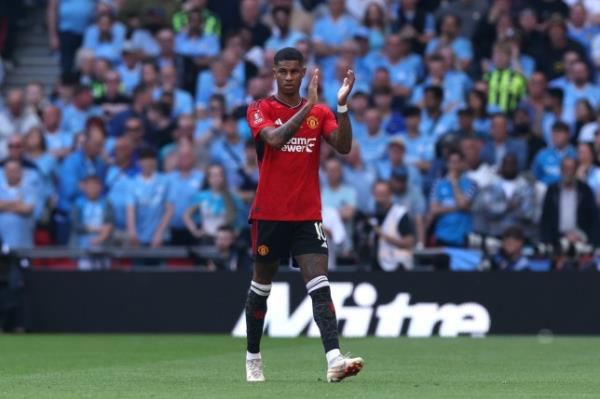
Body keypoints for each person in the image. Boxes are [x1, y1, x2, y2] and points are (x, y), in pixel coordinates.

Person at [243, 47, 363, 382]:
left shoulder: (320, 111)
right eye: (283, 71)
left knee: (319, 282)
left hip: (306, 214)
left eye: (295, 72)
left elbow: (342, 146)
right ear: (274, 72)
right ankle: (253, 355)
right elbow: (276, 139)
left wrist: (341, 106)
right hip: (269, 213)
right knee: (261, 287)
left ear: (303, 72)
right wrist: (308, 106)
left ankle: (334, 358)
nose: (289, 78)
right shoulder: (259, 108)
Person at [540, 157, 600, 246]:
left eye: (571, 169)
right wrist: (547, 241)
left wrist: (591, 242)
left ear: (576, 171)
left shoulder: (585, 190)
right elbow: (546, 218)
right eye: (565, 169)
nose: (568, 172)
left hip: (581, 239)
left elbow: (593, 218)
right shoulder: (552, 191)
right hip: (556, 240)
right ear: (561, 170)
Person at [126, 147, 174, 248]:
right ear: (139, 163)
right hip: (139, 239)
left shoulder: (165, 181)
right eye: (144, 160)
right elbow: (130, 209)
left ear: (155, 162)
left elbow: (169, 210)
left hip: (161, 239)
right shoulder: (132, 183)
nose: (147, 163)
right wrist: (132, 232)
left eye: (151, 159)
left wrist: (160, 233)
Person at [429, 150, 477, 247]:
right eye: (452, 162)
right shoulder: (438, 184)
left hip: (463, 238)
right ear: (447, 164)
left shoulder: (471, 184)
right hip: (442, 237)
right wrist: (457, 207)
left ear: (463, 164)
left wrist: (454, 183)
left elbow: (463, 204)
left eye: (457, 162)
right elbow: (433, 210)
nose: (454, 165)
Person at [371, 180, 415, 271]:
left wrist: (384, 235)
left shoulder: (399, 213)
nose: (380, 197)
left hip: (399, 267)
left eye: (383, 193)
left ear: (390, 194)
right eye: (377, 193)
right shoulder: (372, 215)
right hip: (379, 267)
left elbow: (409, 242)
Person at [0, 160, 36, 248]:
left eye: (14, 170)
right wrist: (16, 203)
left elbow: (27, 209)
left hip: (23, 244)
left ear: (21, 172)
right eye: (9, 170)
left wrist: (3, 206)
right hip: (3, 244)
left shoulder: (30, 189)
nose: (11, 173)